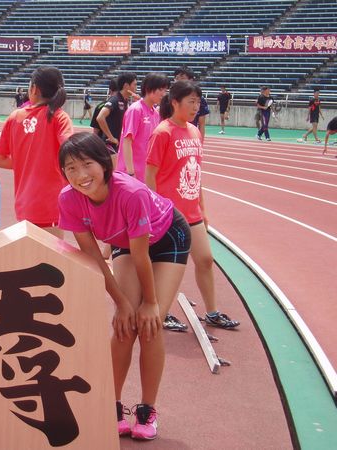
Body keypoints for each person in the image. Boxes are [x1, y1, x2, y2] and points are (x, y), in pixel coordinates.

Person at [58, 132, 191, 440]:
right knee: (124, 325)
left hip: (168, 237)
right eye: (70, 168)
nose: (80, 175)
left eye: (87, 164)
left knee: (149, 324)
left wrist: (149, 303)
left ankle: (147, 408)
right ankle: (110, 403)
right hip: (126, 243)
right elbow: (92, 254)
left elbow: (142, 254)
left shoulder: (131, 193)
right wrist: (120, 303)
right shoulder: (68, 198)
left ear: (104, 164)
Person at [146, 80, 240, 332]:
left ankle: (212, 312)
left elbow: (196, 173)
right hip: (168, 214)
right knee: (165, 267)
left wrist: (203, 208)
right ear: (175, 102)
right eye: (191, 102)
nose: (196, 107)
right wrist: (154, 211)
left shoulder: (194, 132)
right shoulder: (162, 132)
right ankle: (159, 312)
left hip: (192, 213)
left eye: (198, 102)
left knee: (206, 260)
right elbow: (150, 176)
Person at [0, 66, 72, 238]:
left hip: (24, 205)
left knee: (28, 261)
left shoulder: (15, 117)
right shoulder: (59, 117)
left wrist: (28, 162)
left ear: (34, 89)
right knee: (51, 261)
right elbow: (71, 150)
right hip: (53, 206)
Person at [118, 72, 169, 181]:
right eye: (161, 90)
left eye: (165, 90)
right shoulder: (136, 110)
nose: (164, 94)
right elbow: (127, 142)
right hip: (131, 174)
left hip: (145, 173)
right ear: (148, 89)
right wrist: (131, 173)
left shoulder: (155, 113)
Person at [96, 72, 137, 168]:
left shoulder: (125, 100)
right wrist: (111, 137)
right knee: (114, 174)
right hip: (110, 145)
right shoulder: (115, 100)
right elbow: (100, 117)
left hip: (118, 144)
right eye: (135, 84)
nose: (136, 87)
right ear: (126, 85)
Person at [174, 66, 209, 142]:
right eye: (176, 78)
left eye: (182, 78)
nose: (178, 81)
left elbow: (201, 124)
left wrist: (200, 143)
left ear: (191, 80)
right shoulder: (170, 98)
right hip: (173, 137)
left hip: (191, 138)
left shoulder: (200, 100)